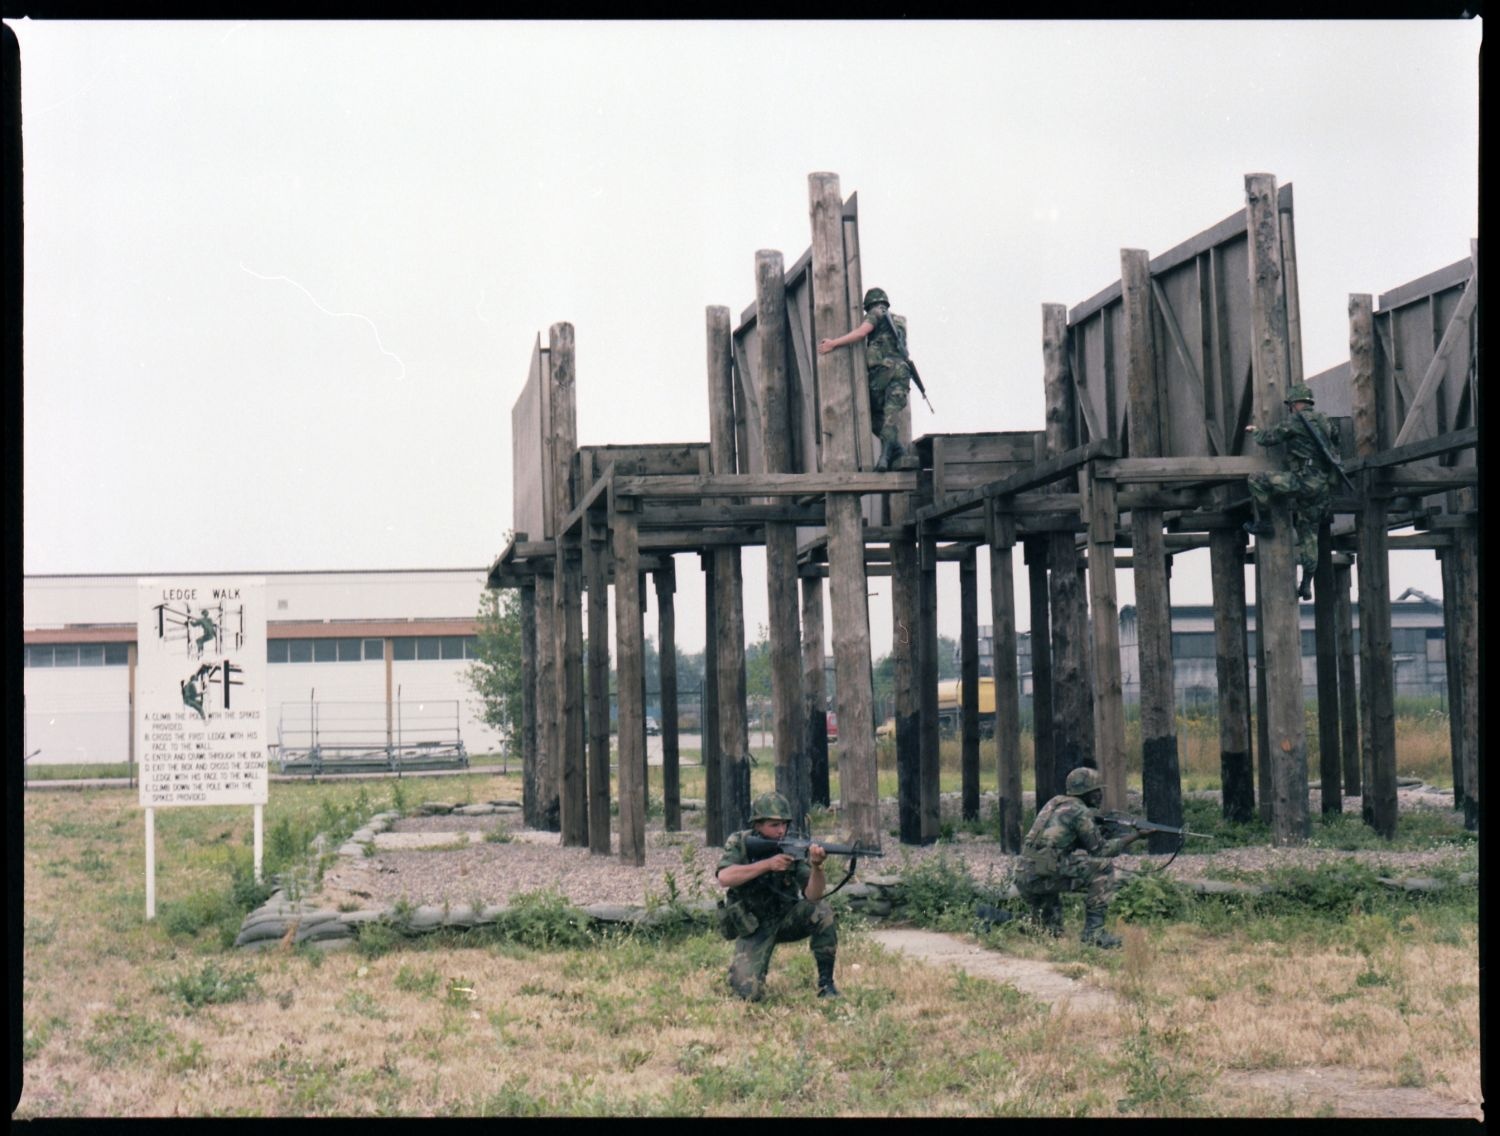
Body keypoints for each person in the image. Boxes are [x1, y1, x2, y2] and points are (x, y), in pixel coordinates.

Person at [716, 791, 840, 1001]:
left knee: (822, 911)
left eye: (784, 824)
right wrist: (767, 865)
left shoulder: (792, 848)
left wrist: (817, 867)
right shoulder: (740, 842)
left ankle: (826, 985)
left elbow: (813, 896)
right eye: (774, 825)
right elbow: (725, 877)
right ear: (757, 824)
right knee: (748, 995)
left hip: (785, 919)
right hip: (753, 927)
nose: (781, 830)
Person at [1014, 766, 1142, 949]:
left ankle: (1001, 918)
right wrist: (1136, 836)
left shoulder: (1055, 803)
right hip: (1044, 873)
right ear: (1087, 793)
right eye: (1097, 791)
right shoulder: (1079, 811)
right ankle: (1094, 934)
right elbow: (1101, 851)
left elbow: (1059, 839)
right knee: (1103, 867)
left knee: (1049, 932)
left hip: (1026, 873)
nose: (1100, 795)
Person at [1244, 383, 1341, 601]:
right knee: (1309, 536)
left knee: (1257, 480)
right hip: (1322, 487)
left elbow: (1269, 438)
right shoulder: (1325, 421)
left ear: (1294, 404)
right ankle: (1306, 584)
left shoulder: (1296, 422)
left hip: (1302, 481)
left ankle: (1265, 523)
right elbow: (1337, 440)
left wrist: (1255, 431)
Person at [817, 286, 912, 472]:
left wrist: (833, 344)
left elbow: (861, 333)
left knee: (870, 414)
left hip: (883, 373)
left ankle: (885, 457)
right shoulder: (900, 320)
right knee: (890, 415)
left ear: (869, 305)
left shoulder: (876, 313)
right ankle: (896, 450)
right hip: (902, 373)